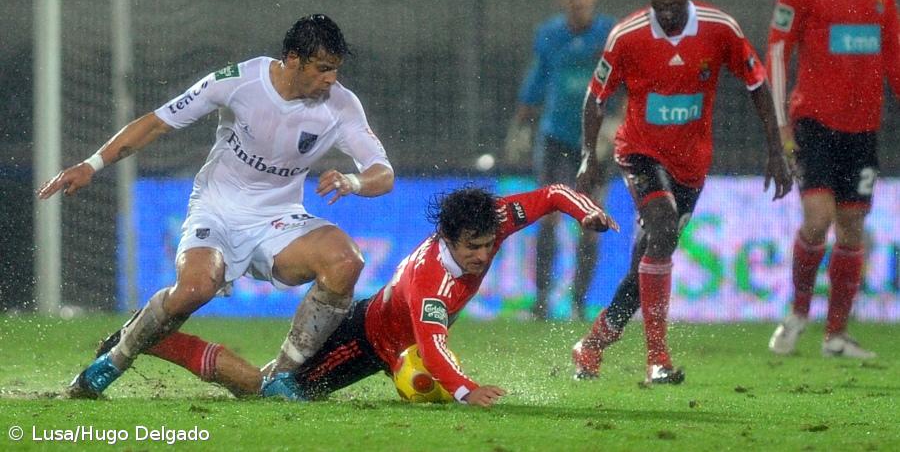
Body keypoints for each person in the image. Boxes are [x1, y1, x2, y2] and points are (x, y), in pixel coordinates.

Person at [37, 14, 395, 399]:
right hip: (217, 211)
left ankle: (284, 375)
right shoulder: (240, 81)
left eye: (336, 70)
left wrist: (352, 181)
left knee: (346, 261)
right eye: (323, 69)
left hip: (278, 219)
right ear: (294, 58)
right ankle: (112, 361)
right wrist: (92, 164)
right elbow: (158, 122)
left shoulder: (341, 105)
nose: (331, 79)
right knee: (194, 289)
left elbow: (382, 172)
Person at [96, 185, 618, 406]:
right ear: (451, 239)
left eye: (488, 245)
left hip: (397, 341)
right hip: (364, 340)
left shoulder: (496, 219)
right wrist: (465, 390)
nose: (484, 255)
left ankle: (146, 339)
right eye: (473, 248)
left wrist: (586, 211)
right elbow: (433, 345)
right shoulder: (429, 279)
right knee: (266, 389)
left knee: (417, 379)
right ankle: (146, 340)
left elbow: (551, 195)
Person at [571, 0, 792, 385]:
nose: (667, 0)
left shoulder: (720, 29)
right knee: (663, 228)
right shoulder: (627, 36)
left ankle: (591, 346)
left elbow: (757, 84)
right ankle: (658, 360)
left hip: (691, 164)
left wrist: (775, 150)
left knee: (645, 268)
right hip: (639, 152)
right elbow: (595, 99)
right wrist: (587, 157)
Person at [766, 0, 900, 359]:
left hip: (863, 127)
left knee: (851, 228)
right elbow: (779, 51)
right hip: (814, 121)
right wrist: (782, 126)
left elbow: (893, 52)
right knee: (817, 219)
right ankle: (799, 312)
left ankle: (835, 335)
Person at [510, 0, 617, 320]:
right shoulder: (549, 35)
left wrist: (619, 123)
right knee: (549, 217)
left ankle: (578, 303)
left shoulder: (609, 34)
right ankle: (541, 301)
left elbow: (631, 83)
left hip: (595, 142)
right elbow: (537, 78)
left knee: (591, 220)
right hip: (556, 136)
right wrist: (521, 124)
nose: (578, 1)